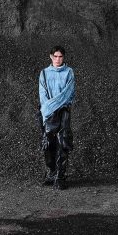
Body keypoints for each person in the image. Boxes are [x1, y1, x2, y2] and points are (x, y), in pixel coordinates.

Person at [38, 46, 76, 190]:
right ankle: (51, 173)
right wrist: (48, 109)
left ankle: (60, 176)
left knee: (63, 143)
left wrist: (53, 106)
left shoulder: (69, 72)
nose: (58, 59)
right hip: (47, 113)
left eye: (60, 56)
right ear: (51, 56)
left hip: (63, 112)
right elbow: (42, 94)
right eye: (56, 56)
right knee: (48, 144)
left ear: (63, 57)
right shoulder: (44, 73)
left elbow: (68, 93)